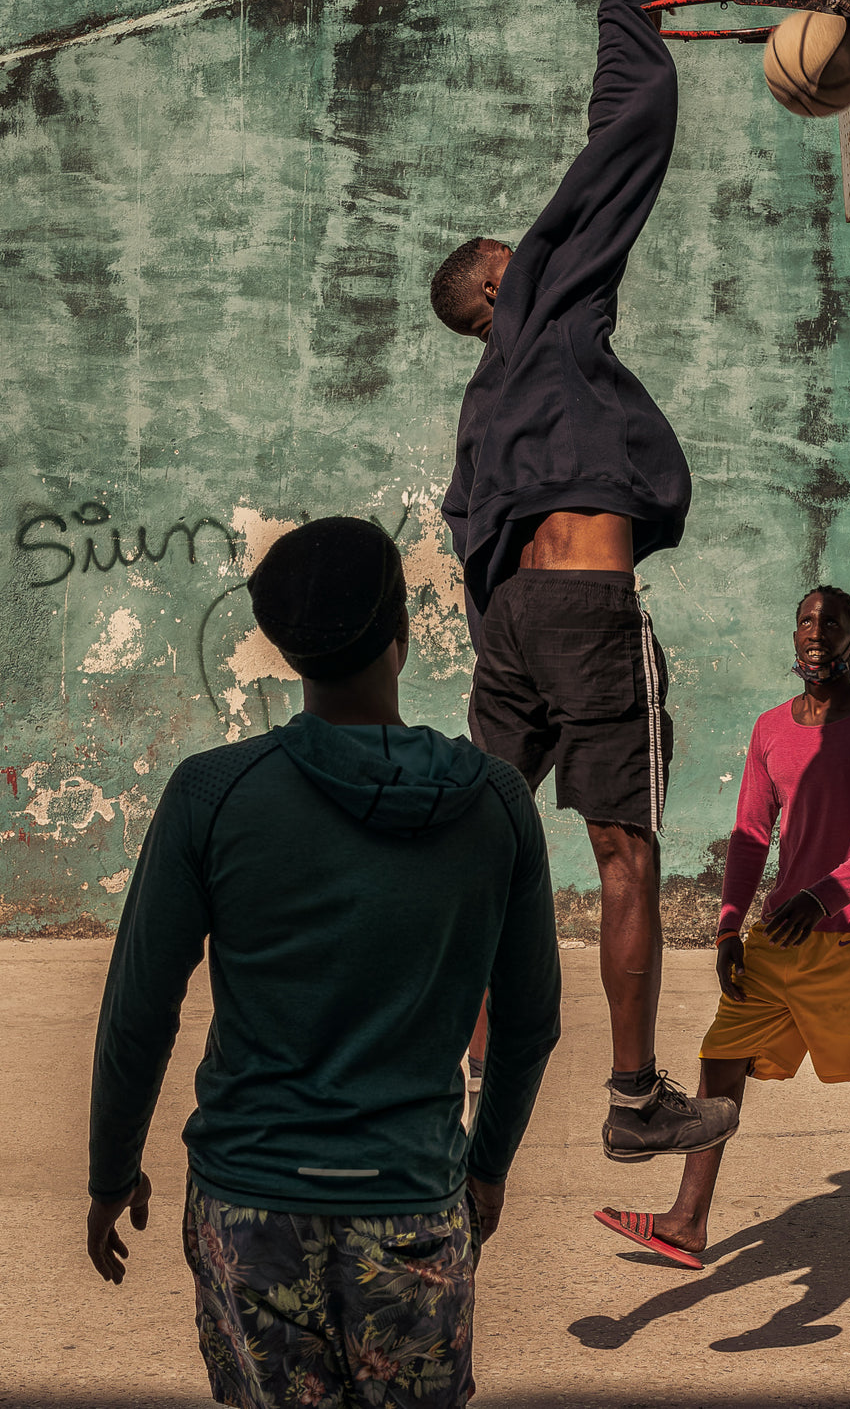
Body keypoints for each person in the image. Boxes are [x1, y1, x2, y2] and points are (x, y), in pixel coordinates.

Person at [86, 517, 561, 1409]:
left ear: (286, 651)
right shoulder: (496, 803)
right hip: (412, 1207)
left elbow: (139, 1009)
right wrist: (486, 1168)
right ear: (402, 632)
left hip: (249, 1210)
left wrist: (112, 1170)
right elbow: (530, 1021)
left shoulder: (211, 793)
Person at [431, 0, 736, 1163]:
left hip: (508, 622)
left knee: (475, 848)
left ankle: (451, 1085)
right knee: (624, 854)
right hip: (582, 611)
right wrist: (625, 22)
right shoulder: (547, 311)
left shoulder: (483, 405)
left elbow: (468, 532)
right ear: (497, 284)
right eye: (517, 254)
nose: (536, 250)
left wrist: (507, 641)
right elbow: (623, 145)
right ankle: (633, 1097)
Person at [595, 585, 850, 1271]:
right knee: (721, 1057)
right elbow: (751, 834)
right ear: (794, 636)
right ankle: (687, 1221)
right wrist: (728, 928)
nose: (817, 631)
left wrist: (827, 895)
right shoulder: (769, 729)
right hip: (779, 936)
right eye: (806, 620)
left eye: (832, 622)